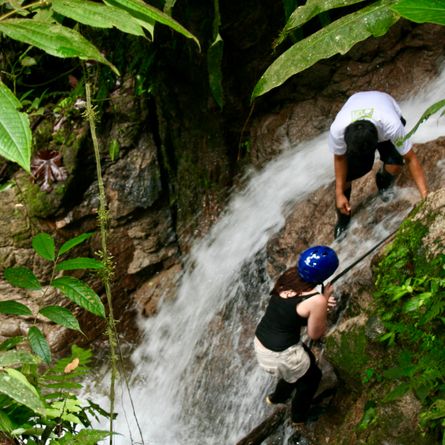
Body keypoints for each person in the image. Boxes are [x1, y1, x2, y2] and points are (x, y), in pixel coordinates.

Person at [254, 245, 339, 426]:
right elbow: (315, 334)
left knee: (302, 363)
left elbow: (293, 311)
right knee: (312, 377)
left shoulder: (289, 276)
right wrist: (322, 303)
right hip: (279, 355)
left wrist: (321, 302)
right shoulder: (315, 300)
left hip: (262, 342)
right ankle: (298, 419)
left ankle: (276, 398)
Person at [329, 91, 428, 239]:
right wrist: (339, 193)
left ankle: (383, 183)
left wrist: (426, 197)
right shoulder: (338, 130)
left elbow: (410, 158)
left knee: (395, 164)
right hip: (357, 103)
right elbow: (339, 159)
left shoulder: (392, 125)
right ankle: (343, 219)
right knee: (348, 174)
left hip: (384, 103)